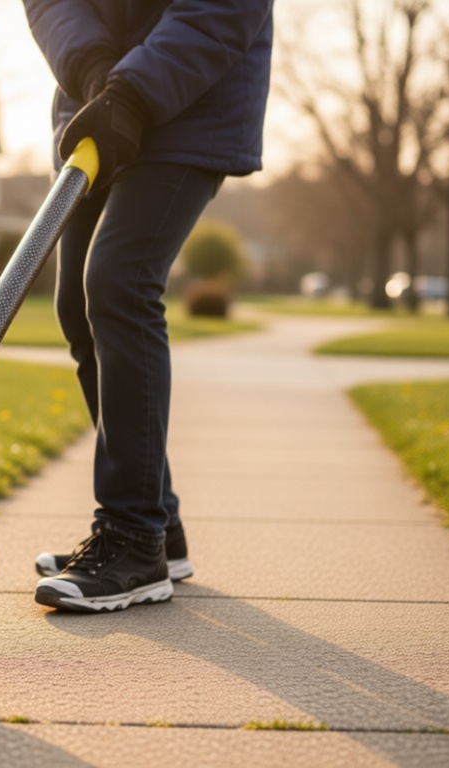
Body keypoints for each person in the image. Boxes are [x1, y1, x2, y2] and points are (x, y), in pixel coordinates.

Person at [22, 0, 274, 612]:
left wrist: (131, 92)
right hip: (93, 103)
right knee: (78, 309)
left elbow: (222, 9)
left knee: (119, 282)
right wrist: (94, 73)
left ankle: (133, 539)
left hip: (190, 103)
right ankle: (161, 527)